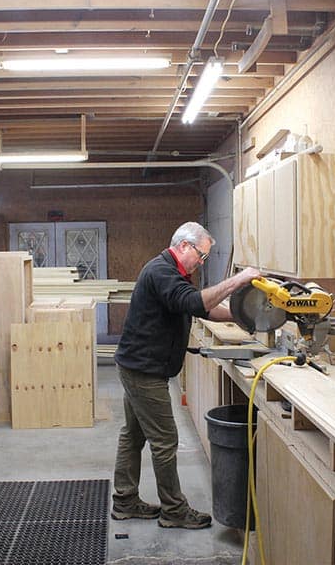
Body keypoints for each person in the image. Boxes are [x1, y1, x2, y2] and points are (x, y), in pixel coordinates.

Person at [112, 221, 261, 529]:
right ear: (183, 246)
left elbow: (201, 309)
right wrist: (238, 280)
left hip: (138, 365)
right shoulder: (161, 272)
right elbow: (196, 301)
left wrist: (241, 314)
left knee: (133, 434)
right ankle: (173, 510)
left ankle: (125, 502)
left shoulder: (173, 272)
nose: (202, 262)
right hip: (144, 370)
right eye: (201, 255)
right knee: (165, 440)